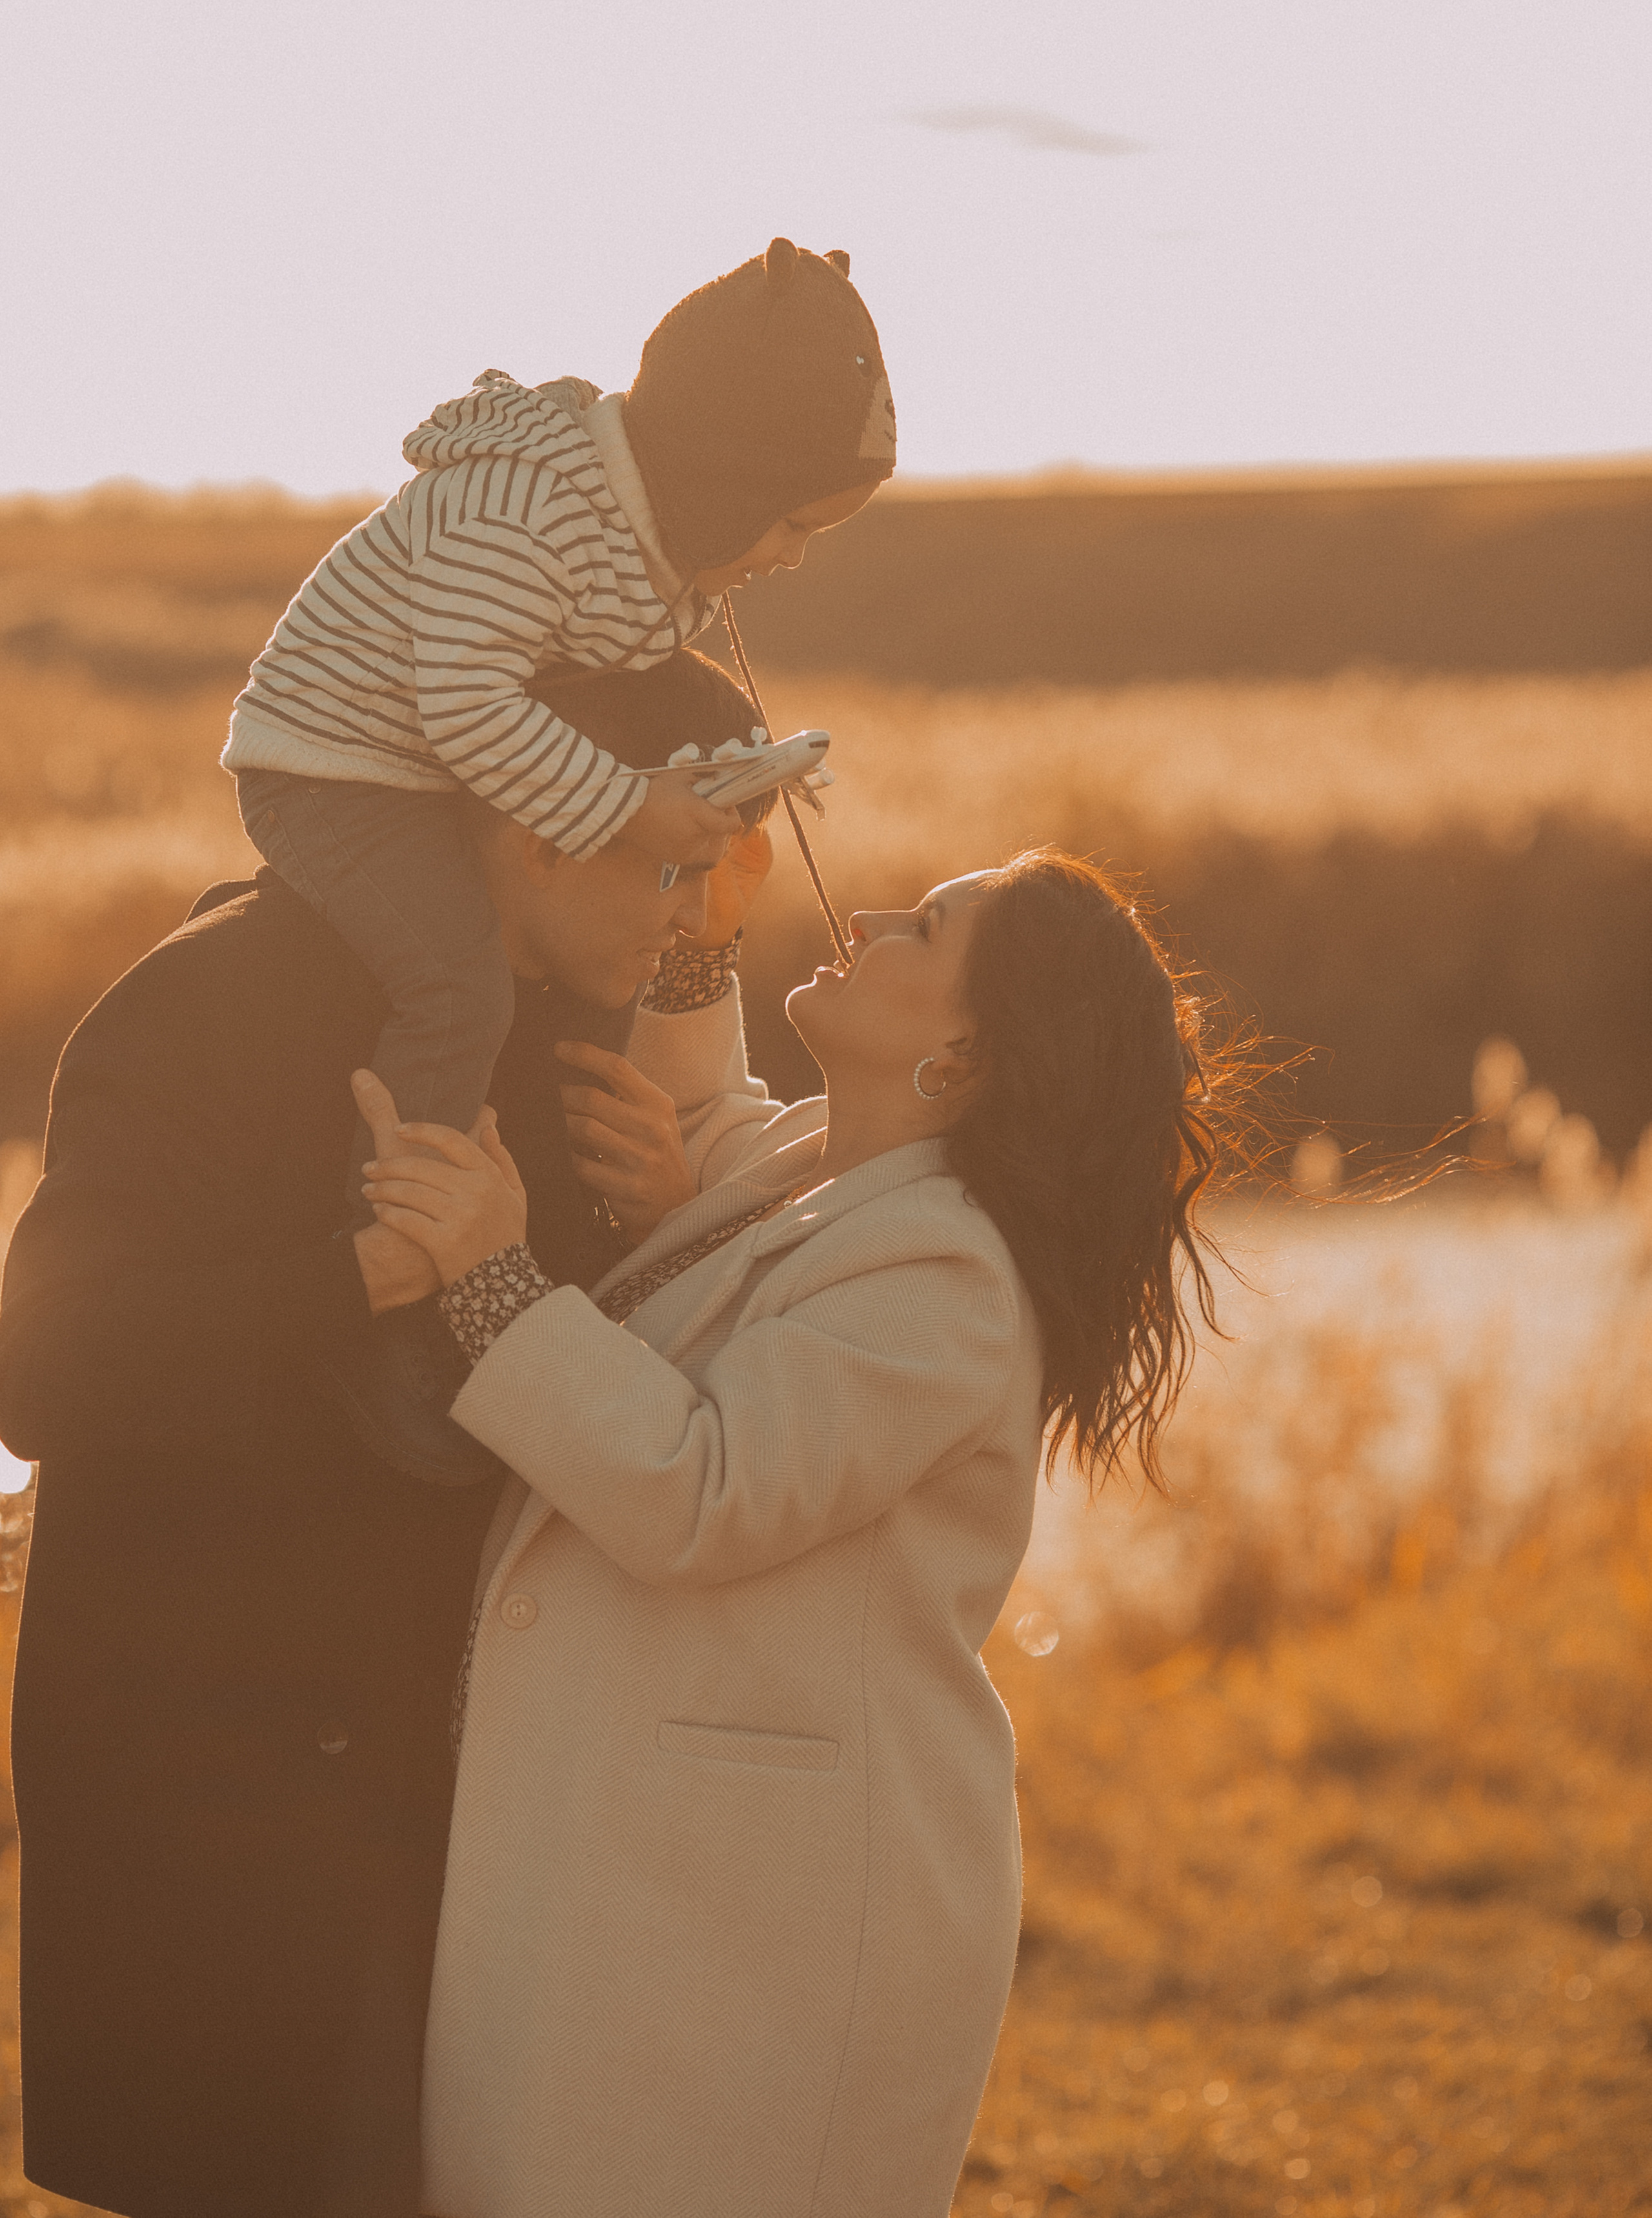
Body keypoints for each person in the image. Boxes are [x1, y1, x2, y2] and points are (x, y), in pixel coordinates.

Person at [0, 647, 783, 2218]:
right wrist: (373, 1265)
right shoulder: (213, 997)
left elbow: (574, 1422)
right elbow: (43, 1369)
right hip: (212, 1782)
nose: (690, 922)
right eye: (673, 868)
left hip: (443, 1796)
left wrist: (664, 1228)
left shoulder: (572, 1046)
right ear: (540, 830)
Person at [358, 849, 1240, 2218]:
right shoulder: (816, 1175)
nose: (873, 914)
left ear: (961, 1048)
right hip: (674, 1871)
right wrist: (698, 937)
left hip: (772, 1906)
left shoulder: (947, 1277)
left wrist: (488, 1276)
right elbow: (705, 1109)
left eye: (925, 928)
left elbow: (701, 1486)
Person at [223, 236, 894, 1233]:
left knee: (567, 976)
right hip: (334, 767)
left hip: (424, 761)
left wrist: (730, 767)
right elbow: (467, 705)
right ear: (728, 477)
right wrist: (629, 804)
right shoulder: (527, 515)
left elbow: (597, 699)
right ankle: (398, 1238)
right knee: (458, 988)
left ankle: (560, 1221)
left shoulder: (635, 532)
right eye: (791, 526)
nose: (792, 560)